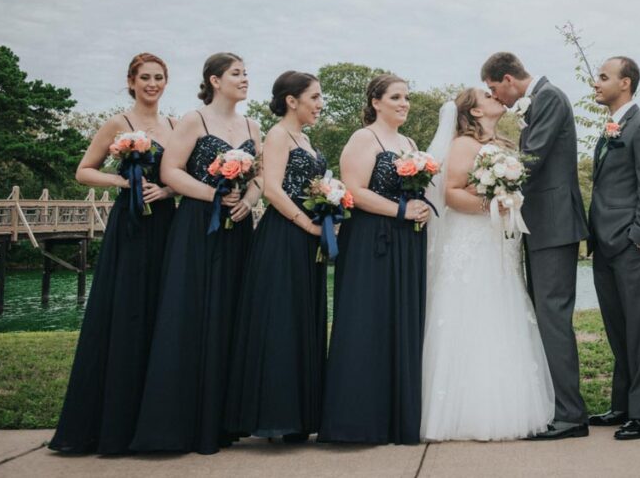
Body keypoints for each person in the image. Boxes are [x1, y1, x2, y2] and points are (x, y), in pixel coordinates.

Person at [131, 52, 262, 455]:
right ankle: (183, 422)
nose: (245, 79)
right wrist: (213, 195)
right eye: (237, 73)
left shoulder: (253, 126)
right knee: (193, 313)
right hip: (197, 226)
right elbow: (170, 171)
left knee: (231, 314)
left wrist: (248, 201)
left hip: (237, 228)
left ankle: (225, 421)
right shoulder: (194, 120)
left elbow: (260, 176)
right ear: (215, 80)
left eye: (246, 73)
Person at [49, 53, 177, 455]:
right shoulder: (117, 123)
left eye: (158, 78)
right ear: (131, 82)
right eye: (145, 78)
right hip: (131, 224)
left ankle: (157, 418)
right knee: (127, 310)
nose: (152, 84)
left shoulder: (174, 126)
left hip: (167, 222)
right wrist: (122, 182)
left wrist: (167, 190)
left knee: (163, 308)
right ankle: (112, 421)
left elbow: (181, 175)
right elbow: (84, 170)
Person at [420, 89, 555, 441]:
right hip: (472, 239)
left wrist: (506, 199)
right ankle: (465, 413)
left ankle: (505, 407)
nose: (495, 96)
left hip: (499, 243)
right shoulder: (464, 144)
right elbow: (450, 192)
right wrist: (493, 204)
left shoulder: (501, 143)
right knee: (472, 312)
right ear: (475, 111)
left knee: (501, 313)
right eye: (486, 95)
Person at [481, 52, 590, 440]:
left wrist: (491, 183)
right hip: (542, 225)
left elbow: (531, 160)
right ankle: (557, 407)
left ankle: (571, 415)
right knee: (545, 316)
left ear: (508, 79)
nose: (496, 96)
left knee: (553, 317)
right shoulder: (539, 99)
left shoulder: (549, 98)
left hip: (555, 224)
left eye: (494, 88)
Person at [318, 74, 431, 445]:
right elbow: (354, 190)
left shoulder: (409, 143)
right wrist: (401, 210)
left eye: (407, 97)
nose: (404, 103)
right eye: (396, 97)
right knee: (367, 321)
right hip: (371, 240)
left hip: (407, 241)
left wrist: (419, 208)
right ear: (376, 101)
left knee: (401, 321)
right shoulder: (363, 138)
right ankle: (357, 421)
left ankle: (397, 418)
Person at [224, 71, 327, 443]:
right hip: (284, 235)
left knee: (303, 319)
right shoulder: (279, 135)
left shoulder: (305, 138)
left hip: (308, 238)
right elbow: (272, 189)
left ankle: (301, 416)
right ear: (291, 101)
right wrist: (307, 223)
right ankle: (276, 416)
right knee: (281, 321)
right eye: (314, 97)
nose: (320, 104)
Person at [586, 57, 640, 440]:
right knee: (618, 329)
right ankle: (622, 405)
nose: (596, 82)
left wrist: (638, 237)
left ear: (626, 83)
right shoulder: (611, 129)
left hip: (633, 246)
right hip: (604, 244)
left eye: (603, 77)